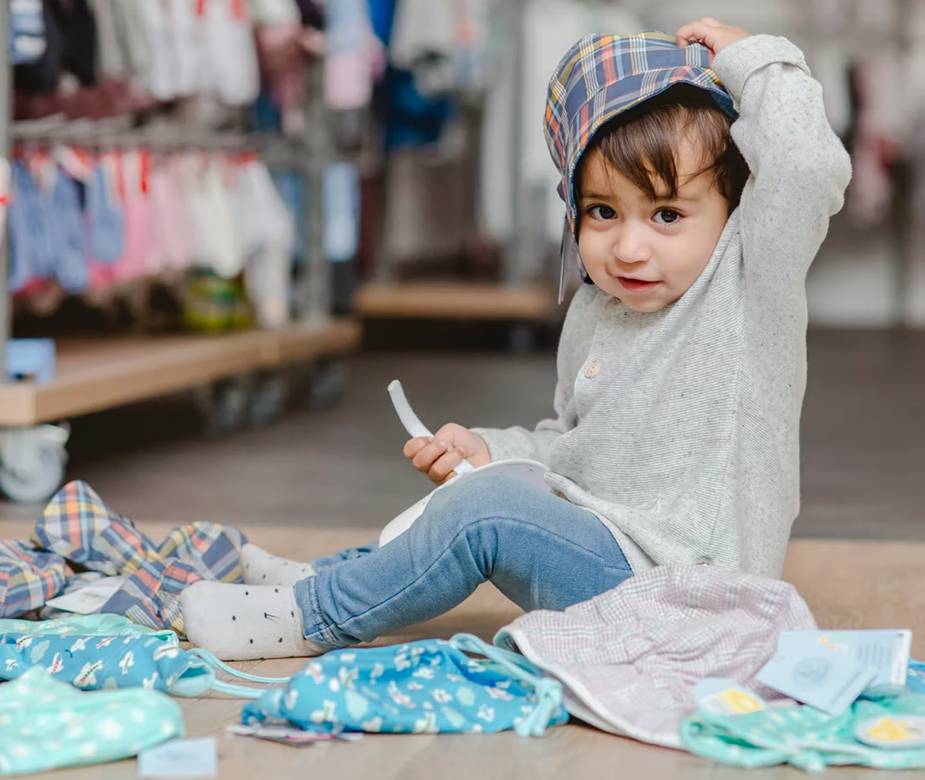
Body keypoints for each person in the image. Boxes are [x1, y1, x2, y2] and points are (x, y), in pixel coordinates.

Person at [182, 19, 852, 660]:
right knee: (475, 495)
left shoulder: (749, 282)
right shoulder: (600, 313)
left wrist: (758, 58)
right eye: (601, 212)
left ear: (734, 211)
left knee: (487, 514)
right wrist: (492, 450)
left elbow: (804, 166)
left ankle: (312, 615)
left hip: (690, 589)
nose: (629, 246)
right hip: (606, 551)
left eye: (668, 214)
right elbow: (571, 449)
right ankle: (328, 579)